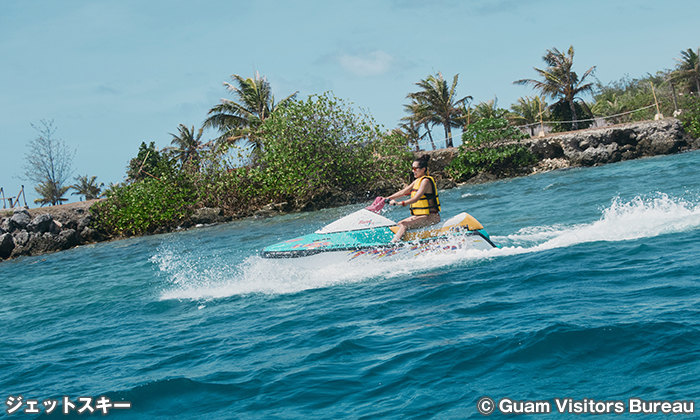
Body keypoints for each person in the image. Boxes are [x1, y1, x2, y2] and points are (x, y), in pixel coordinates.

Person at [384, 154, 441, 242]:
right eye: (412, 169)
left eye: (415, 169)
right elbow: (402, 192)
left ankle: (393, 245)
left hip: (431, 217)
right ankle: (404, 241)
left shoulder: (426, 181)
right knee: (399, 224)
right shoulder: (416, 181)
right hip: (422, 216)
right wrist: (386, 198)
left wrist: (398, 203)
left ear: (423, 169)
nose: (413, 171)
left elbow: (416, 199)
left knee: (403, 225)